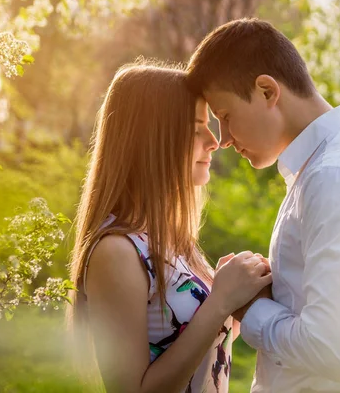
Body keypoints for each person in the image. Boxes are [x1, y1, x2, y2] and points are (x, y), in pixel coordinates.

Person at [186, 18, 340, 393]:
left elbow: (333, 350)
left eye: (226, 117)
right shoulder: (321, 172)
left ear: (267, 91)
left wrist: (249, 308)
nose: (225, 139)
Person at [67, 61, 272, 393]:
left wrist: (237, 297)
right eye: (196, 129)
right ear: (151, 140)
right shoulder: (117, 251)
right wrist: (219, 300)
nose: (214, 140)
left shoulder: (171, 239)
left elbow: (192, 348)